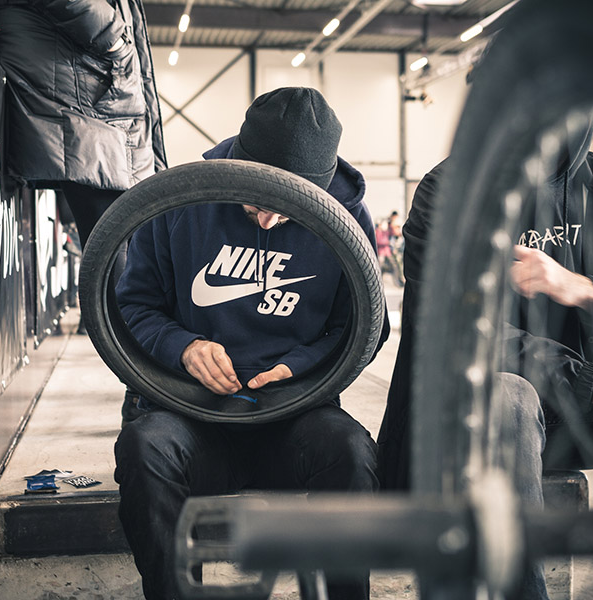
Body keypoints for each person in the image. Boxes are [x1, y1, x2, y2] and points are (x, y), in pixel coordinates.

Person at [377, 113, 593, 598]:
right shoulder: (451, 191)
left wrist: (585, 289)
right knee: (510, 395)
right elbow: (459, 334)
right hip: (463, 425)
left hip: (575, 413)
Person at [114, 87, 389, 600]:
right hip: (191, 414)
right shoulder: (178, 201)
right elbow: (133, 308)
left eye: (287, 209)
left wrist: (300, 366)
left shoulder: (348, 218)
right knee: (142, 447)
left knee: (352, 453)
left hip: (294, 415)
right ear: (239, 163)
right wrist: (182, 347)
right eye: (259, 201)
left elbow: (364, 328)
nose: (267, 220)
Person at [0, 0, 166, 422]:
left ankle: (149, 389)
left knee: (130, 260)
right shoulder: (102, 48)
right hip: (86, 100)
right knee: (124, 267)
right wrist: (114, 37)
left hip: (92, 97)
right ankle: (149, 391)